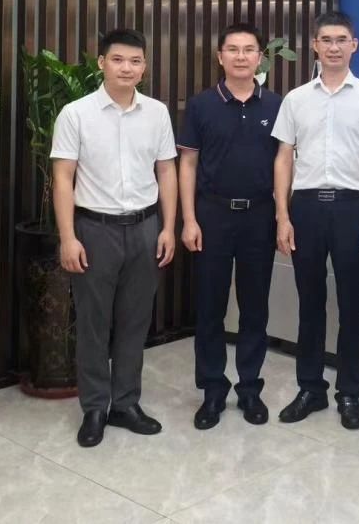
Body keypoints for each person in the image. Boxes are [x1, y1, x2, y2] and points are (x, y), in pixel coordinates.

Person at [51, 28, 178, 448]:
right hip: (94, 229)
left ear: (144, 67)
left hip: (144, 227)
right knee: (93, 322)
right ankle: (94, 407)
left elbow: (167, 171)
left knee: (134, 321)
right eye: (118, 59)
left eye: (135, 61)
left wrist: (168, 227)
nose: (127, 68)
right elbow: (63, 178)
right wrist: (68, 237)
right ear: (101, 63)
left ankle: (125, 403)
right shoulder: (76, 114)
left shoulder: (157, 113)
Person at [272, 10, 359, 431]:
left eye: (342, 39)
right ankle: (311, 388)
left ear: (354, 45)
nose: (334, 47)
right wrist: (282, 215)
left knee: (352, 304)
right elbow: (283, 158)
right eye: (326, 39)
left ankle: (349, 393)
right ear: (315, 45)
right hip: (305, 207)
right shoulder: (295, 99)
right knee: (309, 303)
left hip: (352, 208)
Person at [177, 22, 281, 430]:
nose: (241, 56)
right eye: (233, 49)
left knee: (255, 307)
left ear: (260, 58)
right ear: (220, 57)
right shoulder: (201, 105)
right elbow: (187, 164)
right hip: (212, 215)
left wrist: (283, 215)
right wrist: (189, 219)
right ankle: (213, 390)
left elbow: (284, 163)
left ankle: (250, 388)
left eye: (249, 49)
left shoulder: (276, 105)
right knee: (210, 307)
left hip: (260, 216)